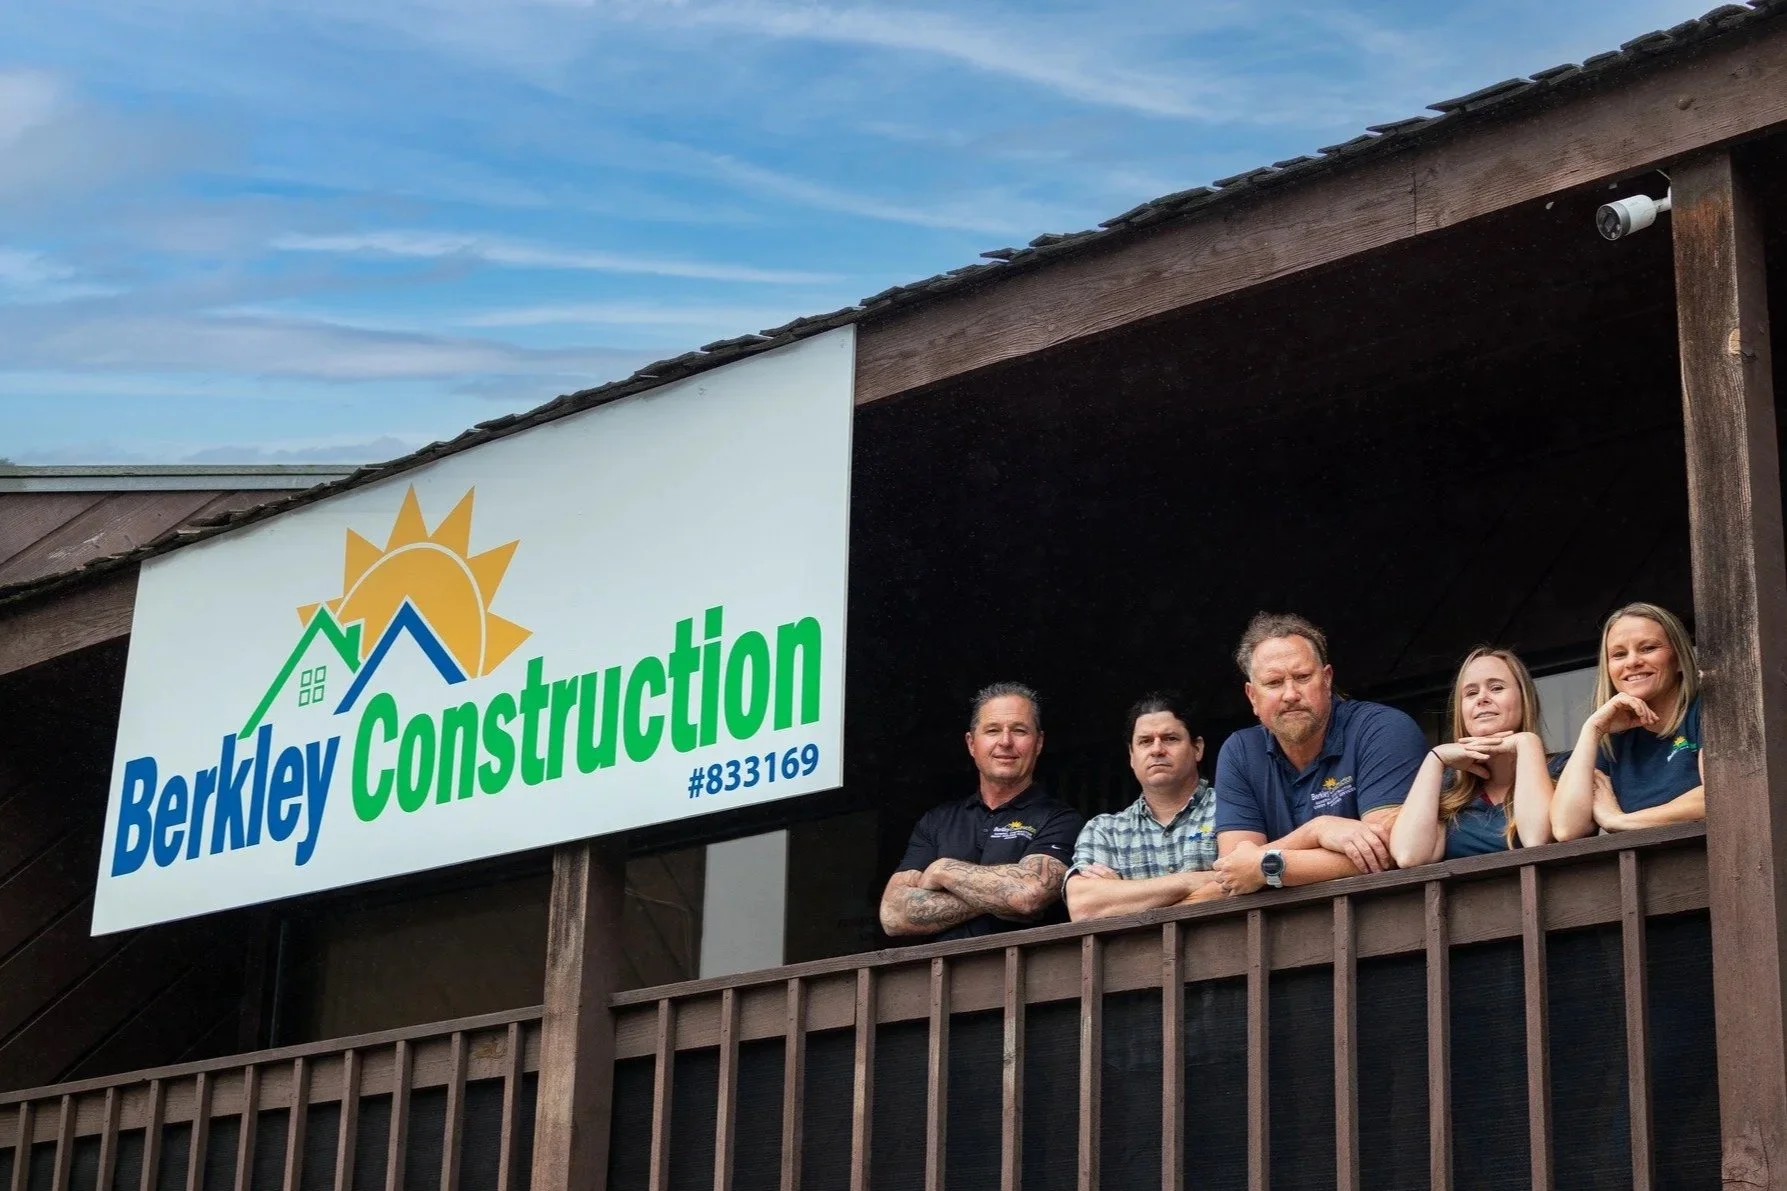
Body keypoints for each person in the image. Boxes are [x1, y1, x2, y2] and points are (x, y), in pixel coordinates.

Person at [1211, 612, 1427, 895]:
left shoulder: (1383, 728)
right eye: (1274, 683)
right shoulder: (1240, 752)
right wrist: (1318, 830)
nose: (1290, 694)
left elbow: (1388, 849)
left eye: (1302, 677)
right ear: (1252, 696)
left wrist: (1267, 866)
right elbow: (1234, 870)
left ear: (1326, 679)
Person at [879, 683, 1084, 940]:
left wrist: (944, 870)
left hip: (1025, 975)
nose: (1006, 741)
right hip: (942, 978)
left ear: (1039, 742)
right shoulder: (936, 822)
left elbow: (1028, 895)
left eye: (1019, 730)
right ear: (971, 743)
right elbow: (893, 914)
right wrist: (1000, 895)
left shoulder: (1061, 819)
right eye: (992, 730)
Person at [1388, 647, 1555, 867]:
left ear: (1524, 699)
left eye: (1496, 688)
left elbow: (1536, 839)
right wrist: (1434, 759)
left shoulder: (1561, 771)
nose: (1482, 699)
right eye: (1471, 693)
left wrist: (1527, 743)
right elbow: (1408, 855)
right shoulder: (1449, 791)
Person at [1552, 602, 1704, 842]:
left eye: (1648, 648)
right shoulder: (1611, 740)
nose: (1632, 662)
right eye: (1619, 654)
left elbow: (1717, 796)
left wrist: (1618, 821)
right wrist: (1592, 730)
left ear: (1678, 658)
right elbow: (1566, 828)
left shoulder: (1704, 710)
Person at [1065, 692, 1223, 921]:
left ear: (1197, 748)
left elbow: (1244, 881)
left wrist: (1125, 897)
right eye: (1145, 741)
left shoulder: (1231, 807)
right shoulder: (1105, 830)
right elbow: (1084, 906)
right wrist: (1195, 881)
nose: (1157, 749)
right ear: (1131, 755)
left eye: (1170, 738)